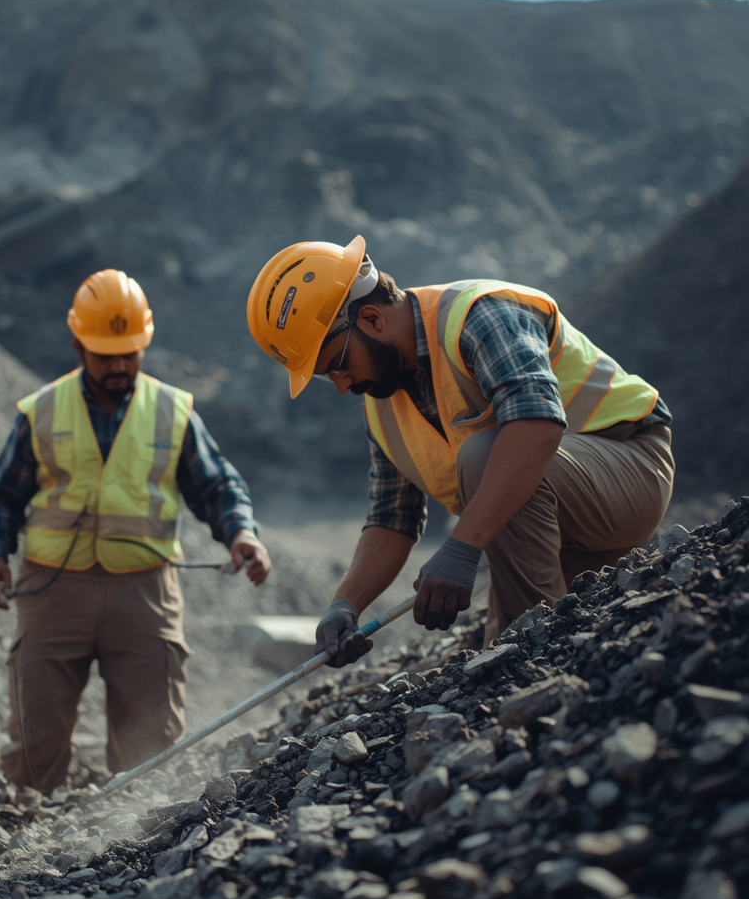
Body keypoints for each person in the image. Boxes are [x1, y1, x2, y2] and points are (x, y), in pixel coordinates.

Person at [245, 235, 673, 663]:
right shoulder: (382, 404)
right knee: (503, 654)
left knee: (484, 460)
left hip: (630, 470)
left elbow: (536, 425)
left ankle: (541, 660)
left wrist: (462, 546)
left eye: (336, 364)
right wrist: (346, 604)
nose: (341, 386)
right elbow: (392, 519)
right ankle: (533, 653)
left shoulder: (479, 316)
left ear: (372, 318)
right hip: (563, 534)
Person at [0, 268, 271, 792]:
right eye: (105, 354)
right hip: (51, 589)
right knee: (35, 730)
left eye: (129, 353)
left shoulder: (172, 411)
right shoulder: (40, 410)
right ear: (77, 345)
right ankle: (25, 819)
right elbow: (2, 495)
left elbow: (217, 488)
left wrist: (240, 533)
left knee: (151, 739)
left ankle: (133, 836)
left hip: (145, 590)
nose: (118, 365)